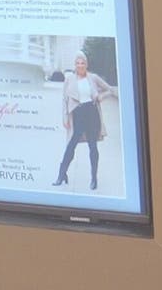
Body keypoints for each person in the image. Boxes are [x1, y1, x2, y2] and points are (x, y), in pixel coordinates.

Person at [48, 53, 114, 190]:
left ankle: (94, 179)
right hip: (77, 114)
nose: (80, 65)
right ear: (75, 65)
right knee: (71, 145)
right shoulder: (69, 79)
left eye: (82, 63)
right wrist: (65, 117)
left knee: (93, 146)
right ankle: (61, 174)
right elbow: (64, 100)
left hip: (92, 113)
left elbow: (110, 90)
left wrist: (100, 97)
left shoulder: (93, 78)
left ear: (86, 64)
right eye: (77, 63)